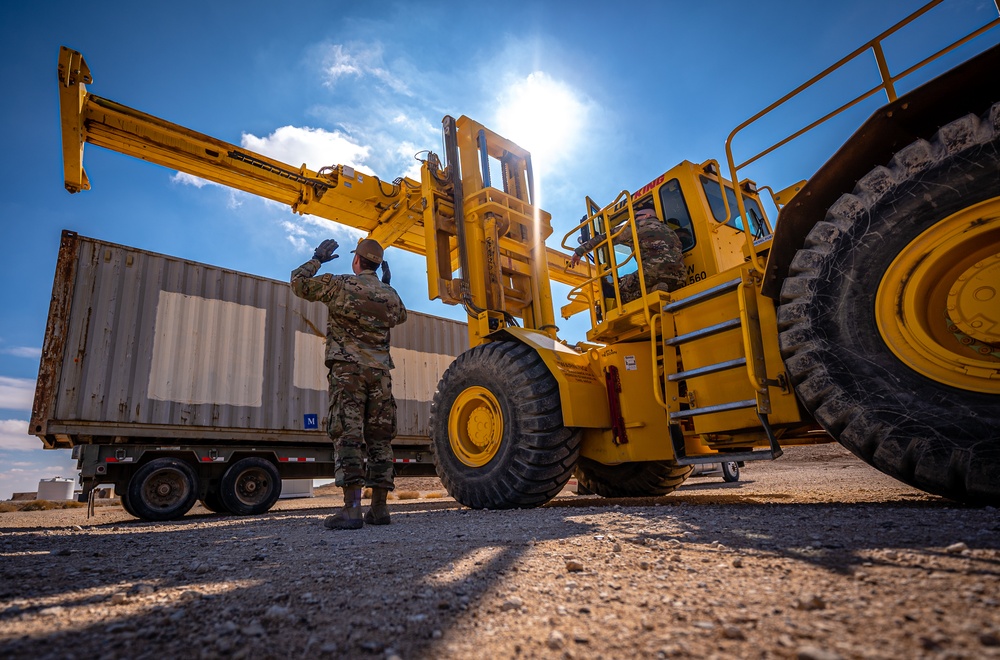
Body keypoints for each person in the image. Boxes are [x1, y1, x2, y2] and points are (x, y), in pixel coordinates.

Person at [291, 237, 407, 530]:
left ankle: (352, 509)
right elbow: (400, 316)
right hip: (380, 375)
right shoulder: (389, 294)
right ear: (378, 265)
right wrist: (387, 286)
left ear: (357, 260)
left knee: (349, 435)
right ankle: (379, 509)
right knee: (380, 439)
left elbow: (299, 284)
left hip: (348, 372)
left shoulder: (340, 283)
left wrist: (317, 258)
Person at [570, 208, 686, 303]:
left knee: (617, 290)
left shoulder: (639, 225)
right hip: (679, 277)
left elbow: (607, 237)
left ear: (646, 216)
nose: (633, 219)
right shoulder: (671, 231)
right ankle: (656, 288)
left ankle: (653, 290)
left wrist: (580, 250)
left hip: (653, 272)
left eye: (636, 217)